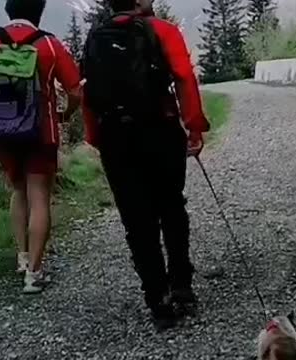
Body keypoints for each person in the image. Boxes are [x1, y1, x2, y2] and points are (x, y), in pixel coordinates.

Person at [81, 0, 209, 328]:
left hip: (115, 138)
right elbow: (183, 76)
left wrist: (96, 135)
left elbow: (89, 92)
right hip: (160, 129)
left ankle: (158, 301)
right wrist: (193, 125)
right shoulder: (162, 30)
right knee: (171, 206)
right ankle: (181, 286)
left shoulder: (95, 36)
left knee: (137, 222)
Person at [0, 0, 81, 293]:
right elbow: (76, 90)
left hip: (1, 131)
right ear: (39, 12)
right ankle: (35, 274)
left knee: (18, 190)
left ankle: (23, 257)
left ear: (8, 10)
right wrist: (65, 114)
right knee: (39, 195)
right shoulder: (50, 45)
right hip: (41, 133)